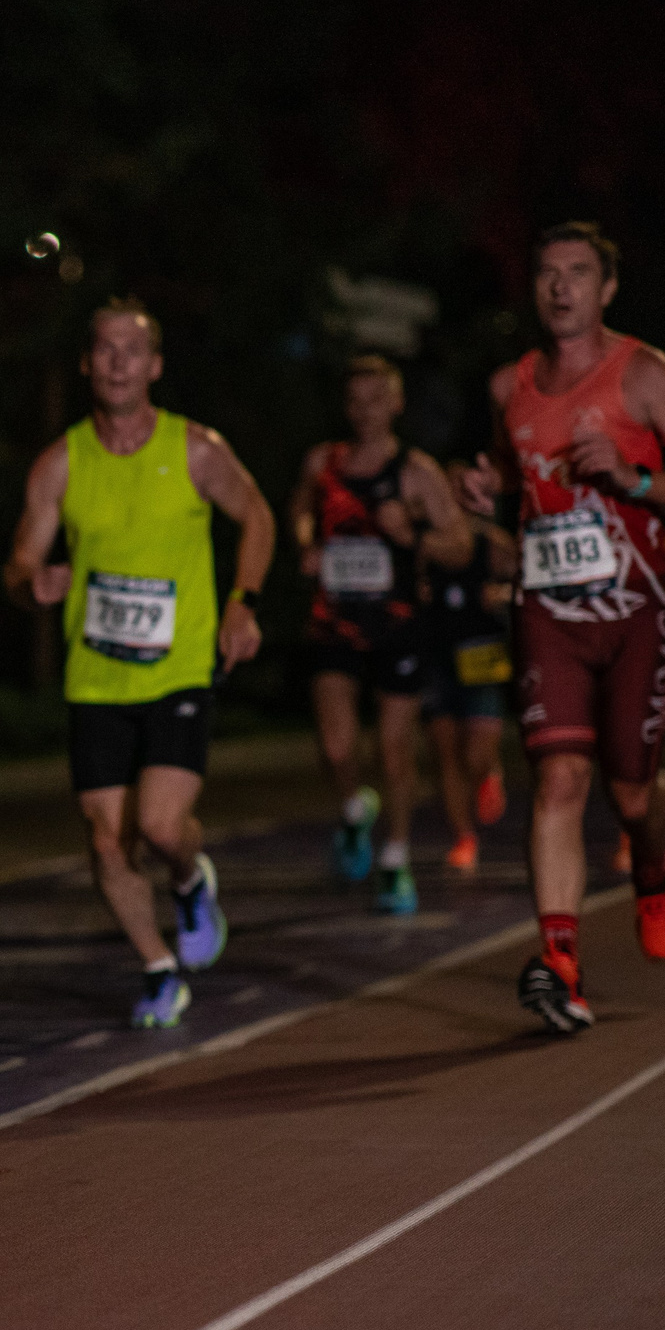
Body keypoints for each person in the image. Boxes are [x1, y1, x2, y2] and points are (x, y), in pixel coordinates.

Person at [462, 222, 665, 1036]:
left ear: (607, 289)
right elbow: (516, 468)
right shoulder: (510, 384)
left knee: (632, 791)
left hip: (638, 609)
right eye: (547, 273)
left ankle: (653, 868)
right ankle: (560, 962)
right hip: (547, 611)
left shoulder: (642, 373)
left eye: (578, 273)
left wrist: (634, 474)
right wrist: (488, 487)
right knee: (559, 782)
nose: (561, 287)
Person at [5, 298, 277, 1029]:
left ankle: (190, 879)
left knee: (160, 828)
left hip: (178, 668)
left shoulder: (194, 448)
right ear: (89, 363)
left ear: (155, 366)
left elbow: (258, 513)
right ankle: (159, 966)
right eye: (106, 348)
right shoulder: (61, 462)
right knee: (104, 839)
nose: (119, 360)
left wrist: (243, 602)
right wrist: (33, 581)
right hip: (96, 679)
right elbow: (22, 557)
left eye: (134, 349)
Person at [289, 355, 474, 912]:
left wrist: (412, 534)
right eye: (355, 400)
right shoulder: (324, 462)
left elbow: (460, 546)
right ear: (345, 407)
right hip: (335, 622)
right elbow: (300, 508)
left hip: (397, 626)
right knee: (336, 745)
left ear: (396, 404)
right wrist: (305, 545)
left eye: (377, 399)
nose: (365, 411)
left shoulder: (417, 472)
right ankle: (352, 813)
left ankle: (395, 858)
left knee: (394, 753)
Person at [423, 460, 520, 872]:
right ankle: (464, 837)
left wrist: (503, 595)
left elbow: (530, 580)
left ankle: (489, 771)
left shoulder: (492, 543)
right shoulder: (424, 542)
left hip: (481, 655)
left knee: (475, 755)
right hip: (435, 656)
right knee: (447, 755)